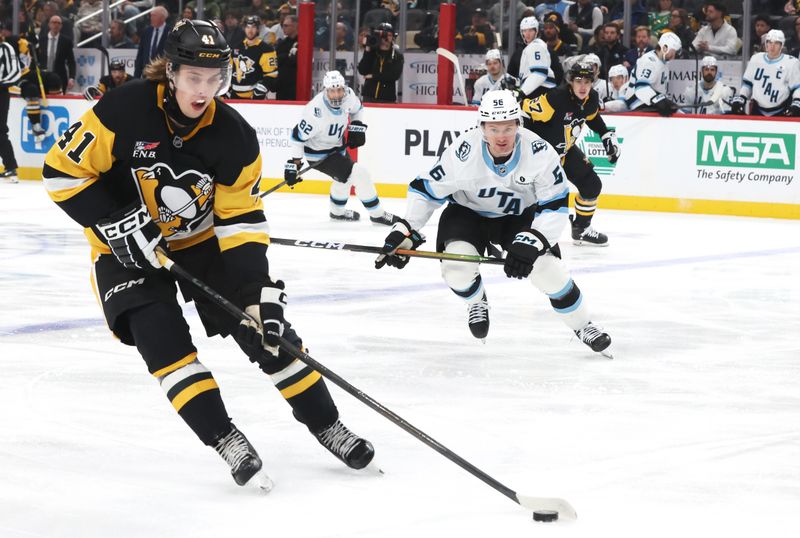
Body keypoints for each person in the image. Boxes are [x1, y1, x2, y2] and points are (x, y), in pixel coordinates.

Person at [42, 19, 376, 492]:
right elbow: (61, 172)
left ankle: (328, 426)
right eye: (194, 77)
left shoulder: (235, 136)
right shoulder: (123, 110)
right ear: (171, 73)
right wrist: (116, 221)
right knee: (161, 341)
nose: (203, 90)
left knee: (267, 332)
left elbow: (240, 221)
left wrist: (256, 288)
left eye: (214, 79)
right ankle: (225, 439)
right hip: (124, 251)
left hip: (201, 244)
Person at [375, 89, 612, 356]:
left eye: (508, 128)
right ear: (482, 128)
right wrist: (406, 230)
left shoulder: (539, 152)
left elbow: (555, 203)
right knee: (456, 268)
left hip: (518, 217)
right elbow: (426, 190)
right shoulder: (463, 152)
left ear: (519, 125)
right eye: (494, 128)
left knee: (547, 270)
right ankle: (477, 301)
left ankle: (583, 325)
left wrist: (533, 241)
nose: (501, 136)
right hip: (467, 214)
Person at [522, 62, 620, 247]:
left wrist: (605, 135)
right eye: (578, 81)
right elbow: (523, 110)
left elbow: (592, 117)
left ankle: (581, 229)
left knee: (592, 185)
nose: (583, 86)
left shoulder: (591, 98)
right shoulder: (555, 98)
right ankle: (528, 234)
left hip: (565, 152)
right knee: (538, 198)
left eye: (587, 82)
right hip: (543, 157)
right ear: (570, 82)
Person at [287, 70, 398, 225]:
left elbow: (358, 109)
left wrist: (356, 126)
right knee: (361, 175)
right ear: (325, 90)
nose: (337, 95)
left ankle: (337, 212)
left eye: (339, 90)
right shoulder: (315, 112)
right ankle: (377, 214)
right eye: (332, 91)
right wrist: (294, 165)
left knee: (343, 179)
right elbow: (297, 137)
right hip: (319, 154)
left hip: (337, 147)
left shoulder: (349, 96)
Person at [731, 30, 800, 117]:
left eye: (776, 43)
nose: (772, 46)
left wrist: (796, 103)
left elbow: (797, 87)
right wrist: (741, 98)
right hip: (757, 109)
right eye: (769, 42)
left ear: (782, 45)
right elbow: (748, 84)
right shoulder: (756, 59)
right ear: (765, 43)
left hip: (781, 110)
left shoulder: (791, 62)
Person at [625, 32, 682, 116]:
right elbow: (641, 87)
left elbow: (659, 91)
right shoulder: (649, 61)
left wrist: (666, 102)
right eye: (674, 52)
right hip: (638, 103)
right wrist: (658, 101)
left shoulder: (663, 62)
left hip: (649, 102)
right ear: (665, 48)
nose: (674, 57)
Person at [230, 15, 278, 99]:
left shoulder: (266, 49)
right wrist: (227, 90)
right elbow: (229, 70)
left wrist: (260, 91)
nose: (250, 30)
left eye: (253, 27)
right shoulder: (237, 47)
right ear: (244, 28)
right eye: (247, 27)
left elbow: (272, 74)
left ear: (258, 29)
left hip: (254, 97)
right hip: (234, 96)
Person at [357, 22, 403, 103]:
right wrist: (367, 49)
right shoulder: (372, 52)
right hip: (369, 95)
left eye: (389, 35)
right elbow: (362, 70)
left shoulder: (396, 55)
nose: (385, 38)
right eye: (383, 35)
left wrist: (373, 76)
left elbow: (394, 75)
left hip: (387, 97)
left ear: (393, 37)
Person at [0, 30, 24, 183]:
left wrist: (1, 84)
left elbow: (16, 72)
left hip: (1, 92)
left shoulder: (6, 48)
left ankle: (10, 167)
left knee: (0, 130)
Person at [517, 16, 556, 99]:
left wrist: (522, 91)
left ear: (536, 31)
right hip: (537, 90)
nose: (527, 34)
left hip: (539, 91)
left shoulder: (536, 46)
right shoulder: (534, 46)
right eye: (524, 31)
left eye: (530, 30)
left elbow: (540, 73)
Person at [37, 15, 75, 93]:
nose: (56, 25)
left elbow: (71, 61)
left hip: (60, 77)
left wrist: (71, 77)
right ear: (49, 24)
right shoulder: (41, 40)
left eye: (58, 23)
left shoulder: (66, 41)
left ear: (61, 26)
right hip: (43, 77)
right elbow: (36, 59)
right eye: (54, 22)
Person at [134, 6, 170, 78]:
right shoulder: (146, 31)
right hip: (146, 73)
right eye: (151, 16)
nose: (151, 18)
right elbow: (140, 55)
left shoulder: (171, 33)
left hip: (162, 74)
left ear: (162, 18)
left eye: (154, 16)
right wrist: (136, 76)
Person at [275, 14, 298, 100]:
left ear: (295, 26)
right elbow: (276, 60)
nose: (283, 28)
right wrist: (287, 55)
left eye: (286, 26)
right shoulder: (282, 43)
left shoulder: (302, 42)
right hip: (282, 85)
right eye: (282, 26)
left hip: (296, 84)